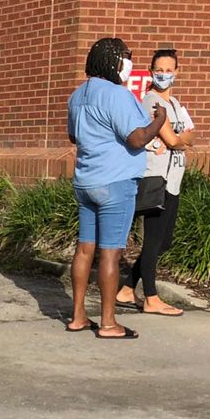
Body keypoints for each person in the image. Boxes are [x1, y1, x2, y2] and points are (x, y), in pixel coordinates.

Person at [65, 38, 166, 339]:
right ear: (112, 61)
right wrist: (159, 120)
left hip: (86, 181)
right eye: (125, 58)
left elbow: (73, 136)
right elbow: (136, 138)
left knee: (85, 249)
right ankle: (109, 323)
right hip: (116, 183)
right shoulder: (118, 95)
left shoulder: (77, 95)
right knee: (111, 253)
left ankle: (78, 316)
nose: (128, 64)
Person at [118, 49, 195, 316]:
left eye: (169, 69)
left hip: (173, 180)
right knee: (153, 240)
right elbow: (176, 140)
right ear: (151, 72)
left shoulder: (174, 104)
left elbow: (190, 135)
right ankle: (151, 298)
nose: (164, 74)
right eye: (158, 69)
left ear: (177, 71)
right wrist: (177, 139)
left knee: (164, 242)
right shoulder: (152, 102)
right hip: (156, 179)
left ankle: (127, 288)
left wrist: (179, 139)